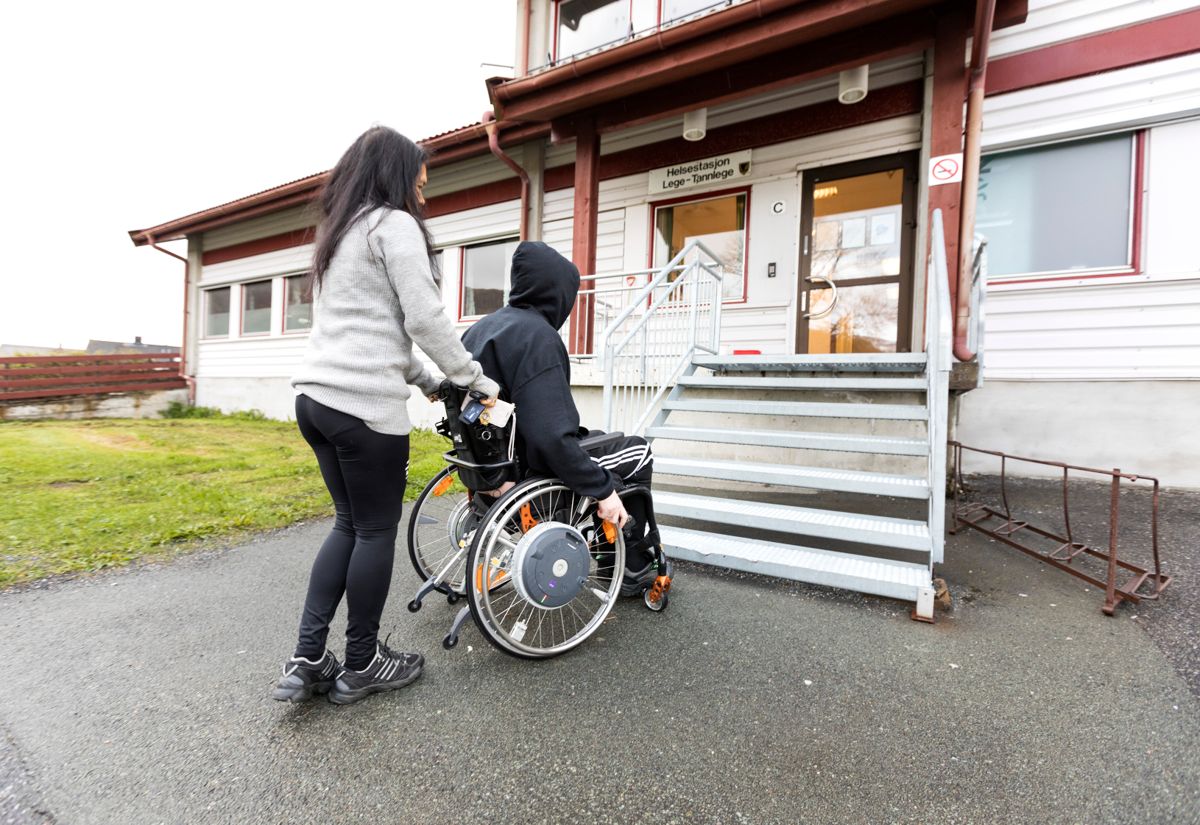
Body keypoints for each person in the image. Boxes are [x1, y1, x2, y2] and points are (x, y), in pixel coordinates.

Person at [274, 126, 499, 705]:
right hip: (363, 411)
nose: (422, 194)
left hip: (316, 401)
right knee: (373, 530)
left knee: (346, 524)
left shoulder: (340, 232)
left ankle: (308, 658)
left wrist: (426, 381)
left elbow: (373, 332)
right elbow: (424, 321)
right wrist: (474, 380)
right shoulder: (394, 227)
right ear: (397, 176)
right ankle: (363, 661)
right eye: (419, 182)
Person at [461, 241, 667, 595]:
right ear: (558, 293)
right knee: (636, 452)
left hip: (489, 464)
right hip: (531, 467)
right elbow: (551, 436)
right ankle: (627, 563)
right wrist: (603, 490)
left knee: (601, 439)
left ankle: (612, 543)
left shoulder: (481, 329)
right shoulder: (538, 337)